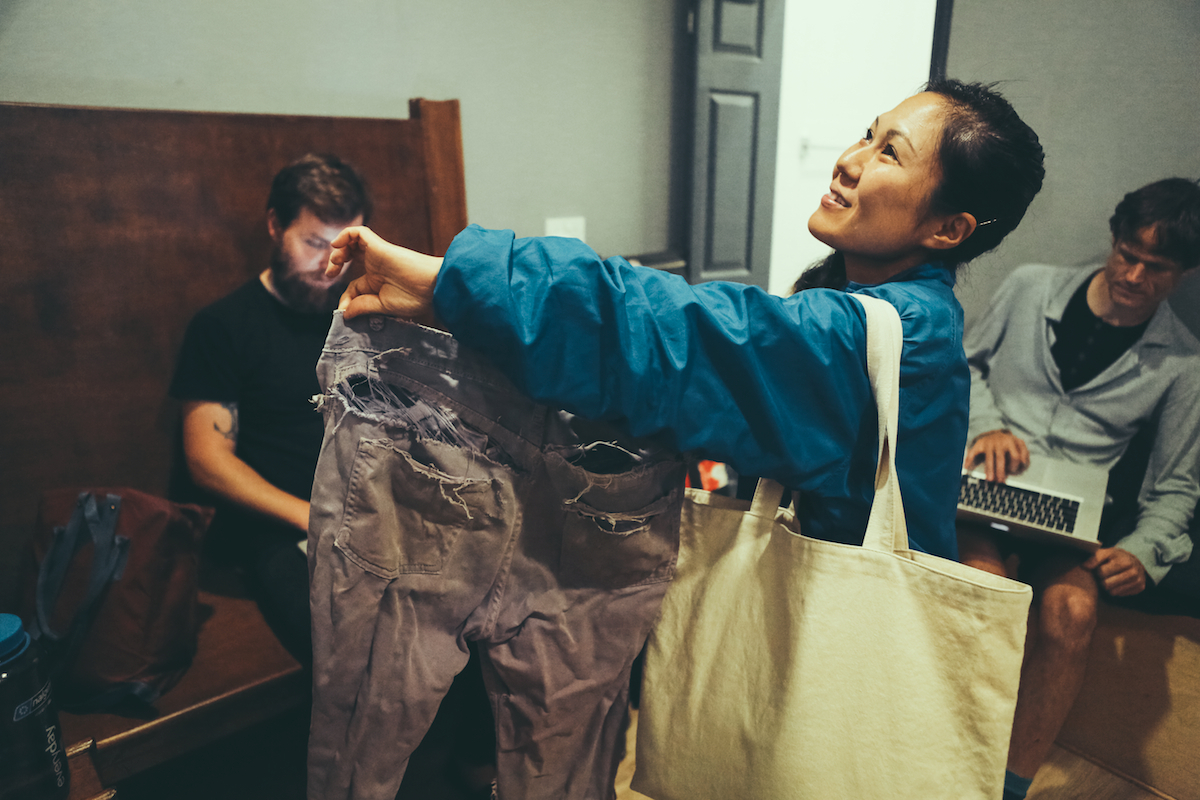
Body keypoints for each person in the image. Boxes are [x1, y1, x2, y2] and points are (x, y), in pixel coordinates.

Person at [327, 79, 1044, 563]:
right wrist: (450, 300)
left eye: (890, 152)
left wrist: (457, 277)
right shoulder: (873, 310)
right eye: (868, 133)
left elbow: (677, 336)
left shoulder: (889, 339)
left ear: (949, 230)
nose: (851, 161)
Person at [959, 177, 1200, 800]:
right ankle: (948, 755)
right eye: (1127, 255)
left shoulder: (1183, 362)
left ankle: (1009, 787)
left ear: (1183, 274)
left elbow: (1177, 485)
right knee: (989, 593)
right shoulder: (1030, 285)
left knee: (1073, 613)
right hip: (988, 488)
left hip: (1073, 518)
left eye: (1158, 268)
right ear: (1113, 241)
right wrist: (987, 426)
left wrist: (1145, 551)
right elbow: (964, 364)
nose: (1135, 276)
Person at [169, 152, 372, 662]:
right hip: (275, 529)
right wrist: (313, 518)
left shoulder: (359, 315)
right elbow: (206, 461)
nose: (329, 264)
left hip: (363, 510)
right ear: (274, 224)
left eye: (343, 247)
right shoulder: (223, 326)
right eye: (313, 243)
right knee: (344, 647)